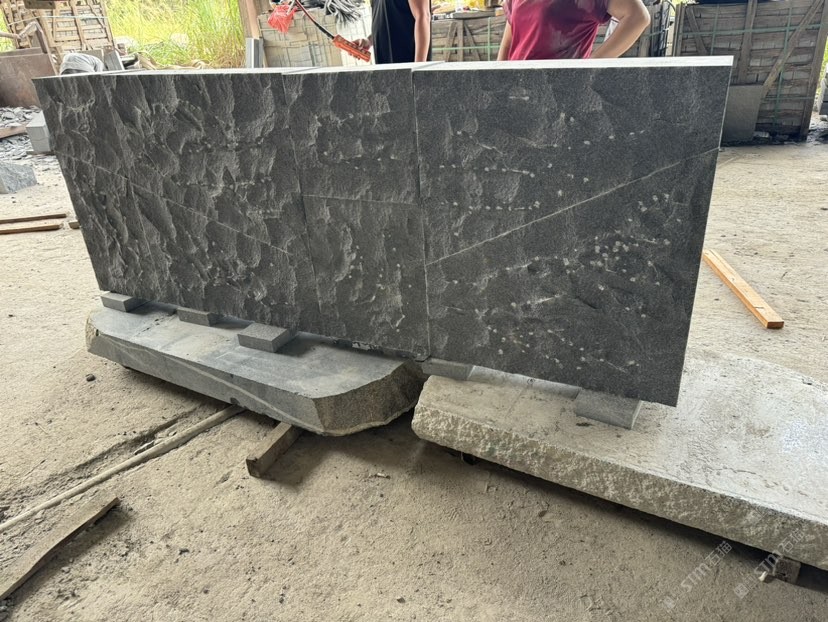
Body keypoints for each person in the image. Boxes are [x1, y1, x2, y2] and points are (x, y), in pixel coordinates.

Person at [497, 0, 651, 61]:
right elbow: (508, 44)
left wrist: (590, 65)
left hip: (556, 94)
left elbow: (638, 17)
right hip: (516, 88)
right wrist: (497, 81)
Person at [354, 0, 431, 64]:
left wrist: (418, 70)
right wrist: (368, 41)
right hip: (386, 67)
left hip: (408, 65)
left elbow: (423, 16)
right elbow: (390, 19)